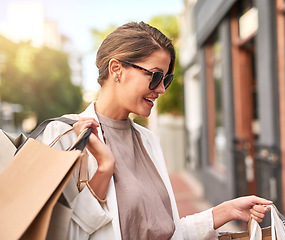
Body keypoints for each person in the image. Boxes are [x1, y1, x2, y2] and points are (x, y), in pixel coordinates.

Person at [42, 21, 272, 240]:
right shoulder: (65, 137)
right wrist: (104, 169)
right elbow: (56, 234)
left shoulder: (147, 140)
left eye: (166, 79)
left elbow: (162, 231)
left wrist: (224, 211)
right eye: (155, 76)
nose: (161, 89)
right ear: (116, 69)